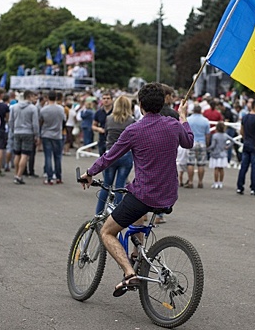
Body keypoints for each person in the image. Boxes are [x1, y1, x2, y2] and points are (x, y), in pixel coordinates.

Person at [79, 82, 193, 296]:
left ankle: (129, 274)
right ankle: (136, 254)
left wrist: (90, 172)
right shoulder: (173, 124)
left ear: (140, 105)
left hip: (144, 194)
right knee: (136, 212)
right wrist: (183, 116)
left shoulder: (134, 130)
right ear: (162, 104)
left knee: (107, 231)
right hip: (168, 195)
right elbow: (189, 142)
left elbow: (110, 156)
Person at [95, 95, 136, 215]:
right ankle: (118, 214)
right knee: (120, 185)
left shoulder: (109, 119)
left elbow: (106, 132)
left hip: (110, 154)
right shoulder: (131, 120)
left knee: (106, 185)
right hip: (125, 155)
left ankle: (99, 213)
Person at [236, 99, 255, 197]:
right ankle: (254, 188)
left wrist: (246, 138)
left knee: (244, 166)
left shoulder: (245, 117)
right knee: (254, 167)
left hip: (247, 143)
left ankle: (240, 186)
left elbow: (241, 131)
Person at [9, 90, 40, 185]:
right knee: (24, 155)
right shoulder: (32, 108)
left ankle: (16, 174)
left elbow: (11, 121)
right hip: (28, 132)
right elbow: (35, 123)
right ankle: (19, 176)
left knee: (17, 154)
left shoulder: (14, 107)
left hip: (17, 132)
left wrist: (13, 130)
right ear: (29, 96)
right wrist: (36, 135)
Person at [40, 91, 66, 185]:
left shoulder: (43, 109)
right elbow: (64, 120)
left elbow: (40, 121)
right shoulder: (61, 109)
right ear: (56, 97)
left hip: (46, 134)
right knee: (58, 157)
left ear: (47, 97)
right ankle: (58, 177)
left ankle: (49, 177)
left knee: (48, 156)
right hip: (57, 134)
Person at [186, 105, 210, 188]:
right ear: (200, 111)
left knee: (190, 163)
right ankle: (200, 182)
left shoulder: (188, 119)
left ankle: (191, 181)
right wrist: (207, 144)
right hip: (202, 142)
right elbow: (207, 134)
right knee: (201, 164)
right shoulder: (205, 120)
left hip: (191, 142)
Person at [207, 121, 230, 189]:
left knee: (216, 169)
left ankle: (215, 182)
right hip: (223, 153)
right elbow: (233, 141)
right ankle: (221, 183)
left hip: (215, 154)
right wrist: (227, 146)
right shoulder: (225, 135)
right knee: (221, 169)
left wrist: (208, 149)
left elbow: (213, 145)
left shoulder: (215, 135)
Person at [0, 88, 10, 176]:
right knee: (0, 148)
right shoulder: (4, 106)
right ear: (1, 95)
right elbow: (8, 118)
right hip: (1, 128)